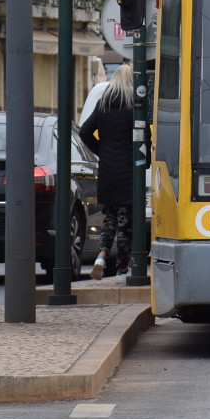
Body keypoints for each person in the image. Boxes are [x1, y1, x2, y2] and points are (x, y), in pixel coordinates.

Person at [79, 64, 143, 279]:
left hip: (107, 170)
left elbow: (85, 132)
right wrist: (145, 160)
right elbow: (144, 137)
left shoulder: (103, 104)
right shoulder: (135, 107)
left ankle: (102, 253)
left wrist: (102, 151)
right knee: (126, 223)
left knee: (110, 218)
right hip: (129, 171)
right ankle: (122, 269)